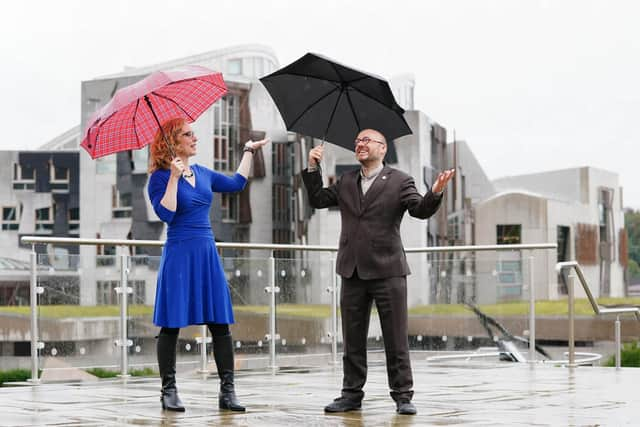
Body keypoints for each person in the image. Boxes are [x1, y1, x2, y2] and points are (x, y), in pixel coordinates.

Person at [302, 129, 454, 415]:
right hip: (352, 270)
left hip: (388, 271)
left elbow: (419, 210)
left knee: (395, 337)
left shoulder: (400, 181)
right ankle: (351, 395)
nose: (360, 144)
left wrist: (435, 192)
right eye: (357, 140)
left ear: (382, 149)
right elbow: (319, 199)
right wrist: (313, 168)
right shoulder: (347, 181)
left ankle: (403, 396)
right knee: (353, 338)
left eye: (367, 140)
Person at [147, 117, 269, 412]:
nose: (195, 138)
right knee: (171, 323)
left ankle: (228, 391)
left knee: (220, 322)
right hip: (179, 253)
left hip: (206, 252)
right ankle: (169, 391)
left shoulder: (202, 173)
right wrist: (174, 178)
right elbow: (166, 214)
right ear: (173, 142)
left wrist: (248, 151)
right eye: (188, 134)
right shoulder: (160, 177)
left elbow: (237, 183)